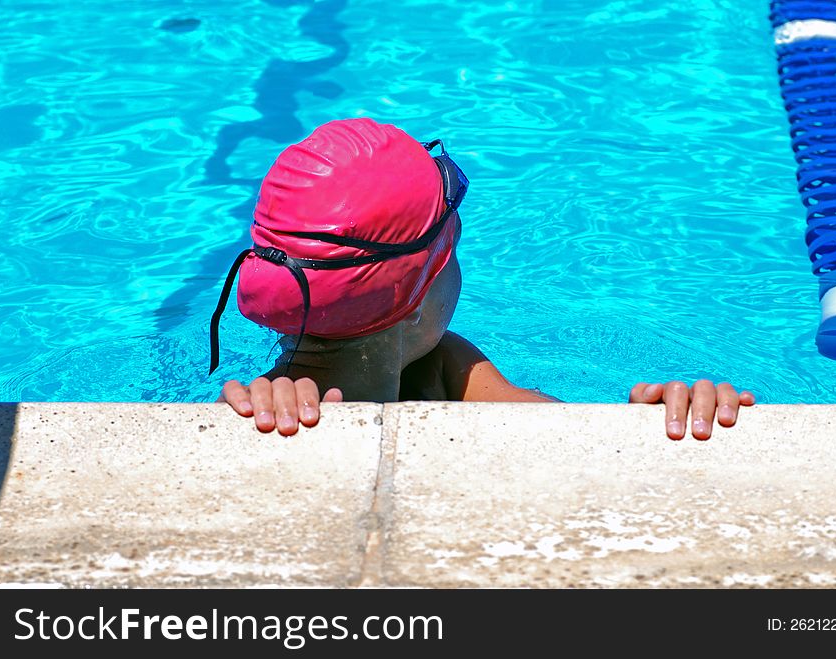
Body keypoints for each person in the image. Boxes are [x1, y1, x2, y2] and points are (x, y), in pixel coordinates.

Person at [212, 118, 755, 440]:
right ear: (418, 300)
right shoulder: (267, 402)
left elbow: (562, 427)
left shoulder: (443, 367)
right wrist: (251, 416)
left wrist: (657, 415)